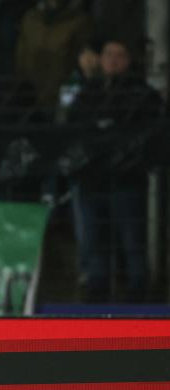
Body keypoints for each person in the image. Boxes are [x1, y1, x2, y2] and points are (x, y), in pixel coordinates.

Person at [68, 39, 162, 302]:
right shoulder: (87, 94)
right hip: (91, 182)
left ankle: (138, 295)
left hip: (127, 183)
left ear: (129, 61)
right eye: (108, 54)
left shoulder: (143, 95)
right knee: (94, 241)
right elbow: (72, 133)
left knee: (132, 241)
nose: (113, 60)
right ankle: (96, 295)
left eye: (120, 55)